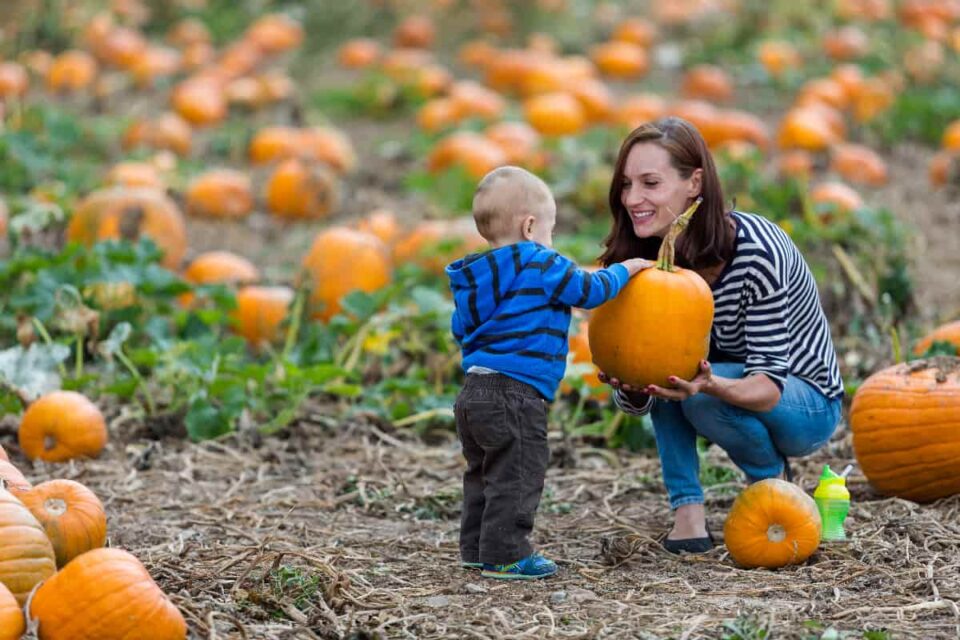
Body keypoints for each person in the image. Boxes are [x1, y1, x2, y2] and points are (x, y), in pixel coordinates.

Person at [597, 117, 844, 554]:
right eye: (626, 185)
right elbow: (641, 390)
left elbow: (767, 387)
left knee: (696, 392)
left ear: (694, 183)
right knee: (669, 374)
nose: (632, 199)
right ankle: (687, 515)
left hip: (803, 401)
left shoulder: (758, 252)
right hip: (718, 383)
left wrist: (707, 385)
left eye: (650, 183)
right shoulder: (642, 258)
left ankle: (771, 484)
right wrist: (632, 386)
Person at [446, 165, 651, 579]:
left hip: (473, 392)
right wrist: (626, 270)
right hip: (516, 393)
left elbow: (459, 329)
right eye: (549, 230)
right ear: (529, 227)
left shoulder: (475, 277)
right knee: (518, 473)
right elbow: (588, 291)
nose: (551, 239)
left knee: (482, 473)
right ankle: (506, 554)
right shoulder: (540, 262)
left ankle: (476, 547)